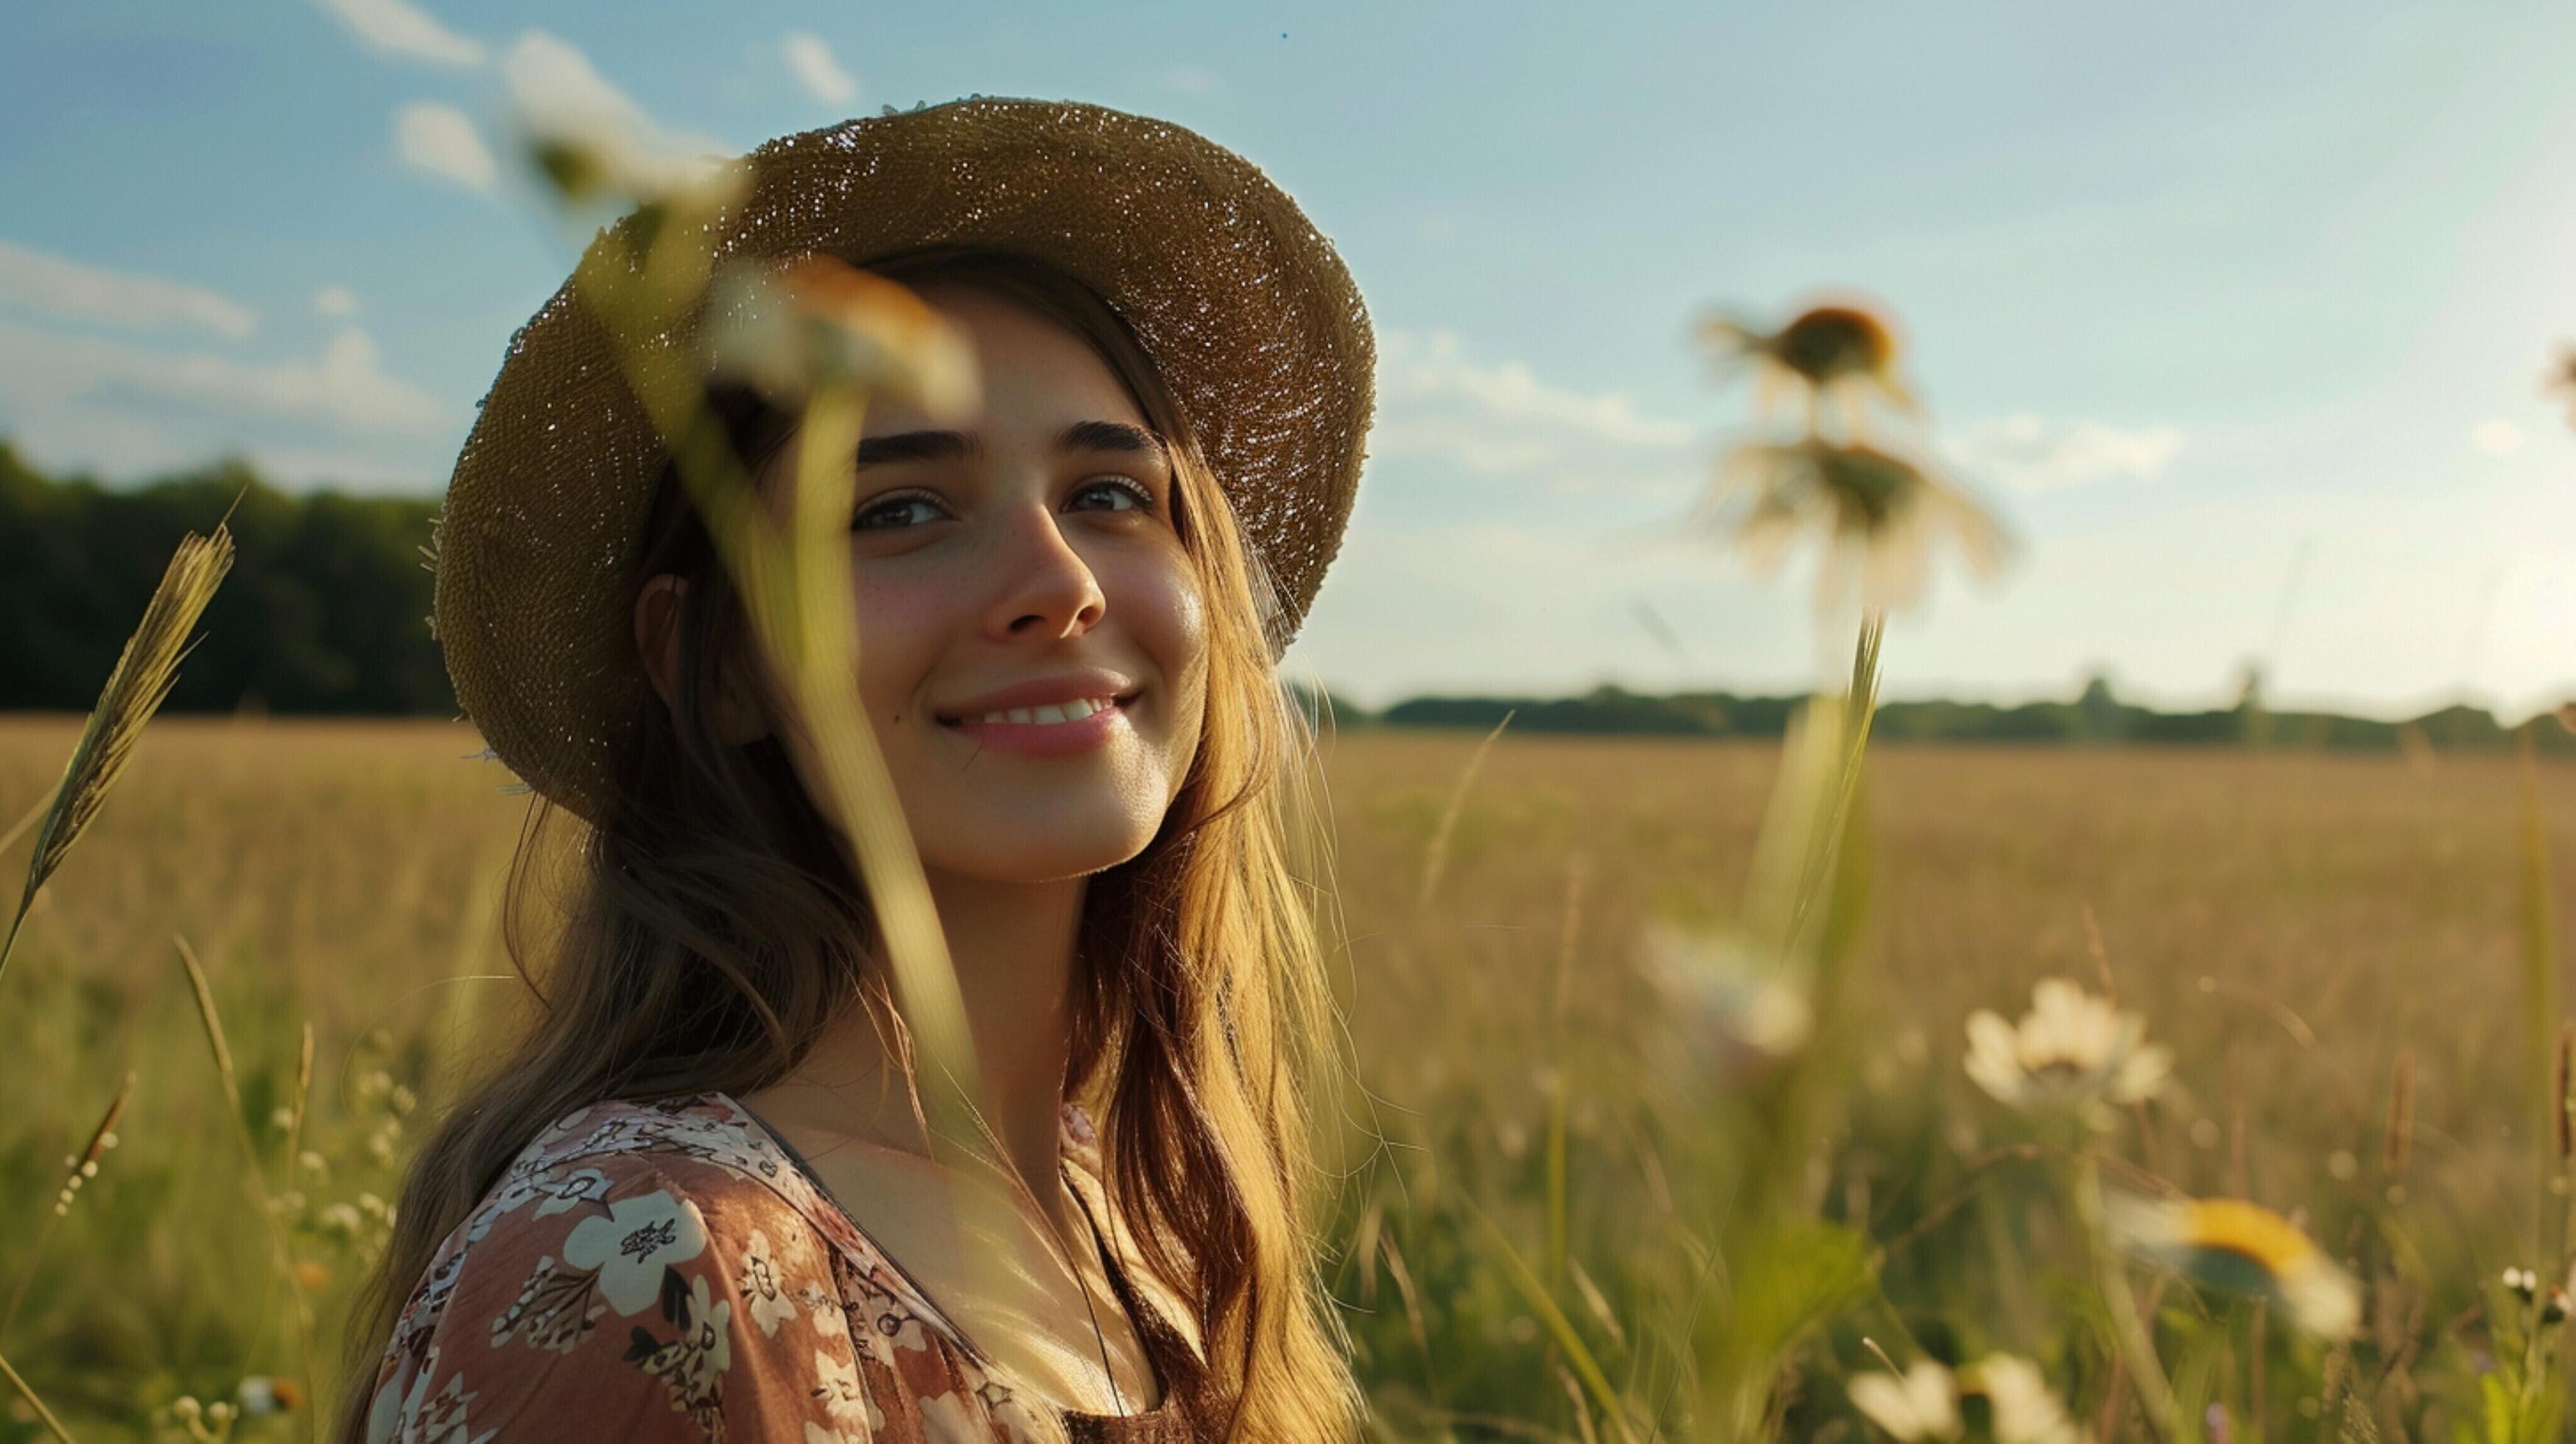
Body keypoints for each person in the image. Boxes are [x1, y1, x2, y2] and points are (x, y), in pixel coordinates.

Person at [340, 97, 1376, 1443]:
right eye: (898, 509)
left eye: (1111, 494)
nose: (1057, 585)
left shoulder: (1145, 1229)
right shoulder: (643, 1276)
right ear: (708, 665)